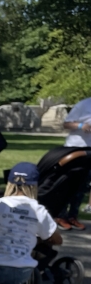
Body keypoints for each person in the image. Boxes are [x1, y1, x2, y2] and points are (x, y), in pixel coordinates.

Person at [54, 93, 91, 230]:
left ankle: (72, 216)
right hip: (75, 148)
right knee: (67, 183)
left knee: (82, 186)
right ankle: (60, 216)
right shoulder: (83, 105)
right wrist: (82, 126)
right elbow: (66, 123)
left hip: (89, 151)